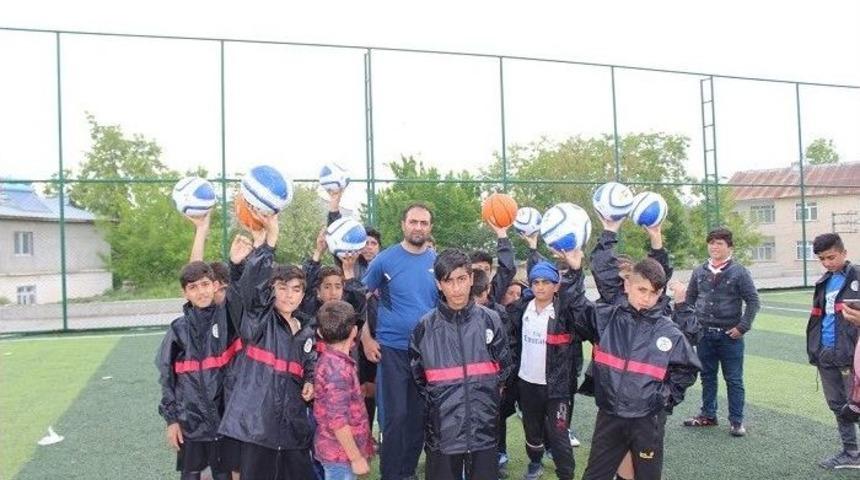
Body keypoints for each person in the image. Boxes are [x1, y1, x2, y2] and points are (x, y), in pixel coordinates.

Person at [563, 249, 701, 480]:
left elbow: (687, 370)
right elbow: (574, 305)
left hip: (647, 421)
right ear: (627, 286)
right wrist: (575, 272)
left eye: (654, 292)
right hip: (610, 416)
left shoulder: (670, 332)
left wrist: (663, 399)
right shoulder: (606, 318)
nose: (646, 298)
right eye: (641, 289)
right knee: (595, 475)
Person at [218, 213, 319, 479]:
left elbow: (310, 361)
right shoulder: (258, 319)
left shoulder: (306, 327)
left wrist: (310, 379)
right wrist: (267, 244)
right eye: (282, 288)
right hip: (257, 428)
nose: (289, 295)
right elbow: (252, 292)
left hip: (293, 428)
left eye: (296, 289)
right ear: (272, 290)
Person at [409, 249, 512, 480]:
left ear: (471, 279)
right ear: (438, 284)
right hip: (443, 434)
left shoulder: (491, 319)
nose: (456, 289)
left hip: (483, 429)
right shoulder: (424, 328)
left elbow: (504, 368)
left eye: (462, 279)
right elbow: (419, 379)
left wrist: (486, 404)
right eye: (449, 281)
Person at [361, 203, 438, 480]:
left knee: (418, 419)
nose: (418, 227)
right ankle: (391, 475)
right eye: (413, 222)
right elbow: (362, 299)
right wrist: (366, 337)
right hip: (392, 350)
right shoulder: (383, 260)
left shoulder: (436, 262)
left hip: (426, 353)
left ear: (430, 228)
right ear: (403, 224)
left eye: (424, 223)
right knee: (394, 418)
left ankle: (407, 473)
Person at [156, 260, 244, 480]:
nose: (201, 291)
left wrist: (238, 264)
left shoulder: (228, 319)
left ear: (215, 286)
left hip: (226, 424)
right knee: (191, 475)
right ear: (185, 293)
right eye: (193, 287)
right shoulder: (178, 330)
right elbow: (167, 378)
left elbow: (242, 292)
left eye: (205, 284)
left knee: (225, 475)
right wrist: (172, 420)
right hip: (191, 425)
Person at [183, 211, 250, 480]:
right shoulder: (199, 316)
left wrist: (237, 263)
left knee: (229, 471)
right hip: (200, 413)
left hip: (231, 408)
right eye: (199, 287)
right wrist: (201, 230)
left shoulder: (231, 316)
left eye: (211, 286)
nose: (206, 291)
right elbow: (194, 273)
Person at [683, 227, 759, 437]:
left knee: (734, 379)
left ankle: (736, 421)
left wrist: (742, 327)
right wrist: (691, 326)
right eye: (711, 243)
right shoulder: (699, 271)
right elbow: (689, 300)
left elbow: (753, 301)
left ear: (729, 247)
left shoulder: (739, 271)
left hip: (729, 336)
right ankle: (708, 415)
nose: (714, 247)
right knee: (707, 376)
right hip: (704, 334)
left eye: (719, 243)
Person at [508, 260, 578, 480]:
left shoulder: (566, 313)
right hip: (527, 382)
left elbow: (578, 297)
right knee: (532, 429)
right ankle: (535, 463)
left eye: (546, 282)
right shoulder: (521, 309)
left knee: (559, 435)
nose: (540, 287)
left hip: (557, 388)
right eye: (536, 282)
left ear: (557, 286)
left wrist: (576, 270)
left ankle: (566, 474)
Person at [801, 233, 860, 469]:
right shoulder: (824, 281)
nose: (827, 263)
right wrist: (815, 349)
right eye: (822, 259)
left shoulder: (857, 275)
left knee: (856, 405)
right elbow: (820, 318)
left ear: (844, 253)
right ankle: (851, 453)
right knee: (838, 406)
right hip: (825, 351)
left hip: (851, 353)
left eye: (831, 257)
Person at [314, 300, 375, 480]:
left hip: (339, 452)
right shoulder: (337, 371)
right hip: (340, 455)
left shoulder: (333, 362)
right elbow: (337, 422)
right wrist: (356, 458)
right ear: (354, 332)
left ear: (319, 333)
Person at [471, 269, 518, 477]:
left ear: (487, 291)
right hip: (462, 388)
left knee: (490, 429)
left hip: (490, 387)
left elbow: (506, 354)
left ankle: (492, 466)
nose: (474, 301)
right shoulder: (450, 314)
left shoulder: (497, 315)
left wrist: (499, 384)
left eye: (478, 295)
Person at [470, 221, 517, 305]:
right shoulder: (457, 292)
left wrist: (502, 235)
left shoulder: (493, 294)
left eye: (486, 269)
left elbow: (506, 269)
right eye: (478, 268)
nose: (483, 272)